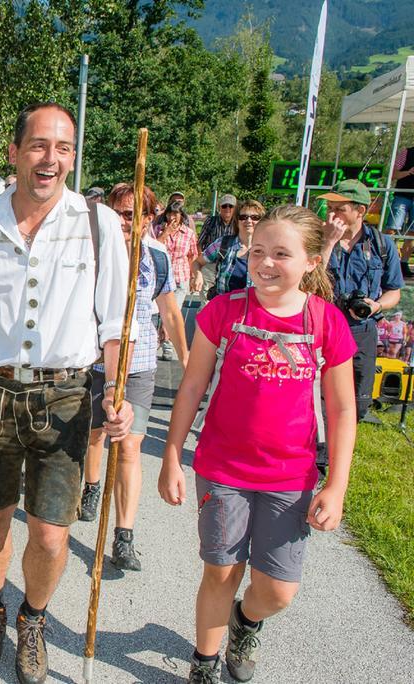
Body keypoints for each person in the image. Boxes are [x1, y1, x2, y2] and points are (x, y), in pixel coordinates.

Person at [0, 102, 134, 684]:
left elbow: (115, 323)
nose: (51, 159)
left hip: (66, 398)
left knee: (49, 531)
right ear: (14, 153)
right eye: (40, 146)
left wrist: (117, 395)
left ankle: (33, 619)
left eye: (63, 148)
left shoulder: (99, 224)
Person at [158, 204, 357, 683]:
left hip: (291, 478)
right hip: (223, 470)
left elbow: (343, 410)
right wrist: (170, 455)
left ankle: (246, 621)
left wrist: (338, 486)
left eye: (281, 254)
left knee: (279, 590)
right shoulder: (223, 311)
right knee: (221, 572)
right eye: (258, 252)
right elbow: (191, 387)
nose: (265, 263)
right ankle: (204, 664)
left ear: (311, 260)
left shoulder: (326, 322)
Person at [79, 183, 188, 572]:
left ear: (149, 217)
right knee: (94, 435)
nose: (126, 222)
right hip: (94, 363)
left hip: (139, 365)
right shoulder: (93, 251)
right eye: (120, 213)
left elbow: (171, 314)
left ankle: (123, 537)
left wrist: (188, 361)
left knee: (128, 447)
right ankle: (91, 488)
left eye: (134, 215)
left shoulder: (157, 257)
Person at [319, 179, 404, 421]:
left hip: (362, 331)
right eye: (331, 208)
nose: (333, 214)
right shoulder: (320, 240)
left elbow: (394, 291)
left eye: (340, 209)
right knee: (321, 398)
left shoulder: (381, 245)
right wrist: (328, 243)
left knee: (358, 401)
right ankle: (320, 456)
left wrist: (377, 305)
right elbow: (310, 284)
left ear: (360, 211)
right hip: (325, 327)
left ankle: (341, 445)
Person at [191, 199, 266, 301]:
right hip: (225, 309)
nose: (248, 220)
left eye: (255, 217)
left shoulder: (268, 250)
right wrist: (198, 276)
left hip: (253, 310)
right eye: (243, 217)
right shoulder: (223, 243)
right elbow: (197, 262)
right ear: (237, 220)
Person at [155, 200, 198, 359]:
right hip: (161, 276)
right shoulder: (158, 229)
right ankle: (161, 340)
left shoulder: (188, 233)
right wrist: (165, 234)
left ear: (181, 216)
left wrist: (194, 275)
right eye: (170, 213)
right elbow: (153, 247)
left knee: (173, 311)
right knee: (160, 312)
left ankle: (167, 345)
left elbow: (193, 255)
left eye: (176, 213)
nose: (173, 217)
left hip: (180, 277)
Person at [196, 195, 237, 297]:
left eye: (230, 206)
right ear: (219, 208)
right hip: (210, 264)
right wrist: (201, 259)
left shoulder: (239, 223)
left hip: (229, 265)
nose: (227, 209)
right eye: (224, 206)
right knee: (207, 297)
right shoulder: (211, 221)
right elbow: (200, 241)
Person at [385, 145, 414, 276]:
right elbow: (392, 175)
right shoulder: (407, 153)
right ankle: (389, 259)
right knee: (392, 228)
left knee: (412, 233)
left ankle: (404, 263)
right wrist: (409, 172)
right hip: (402, 196)